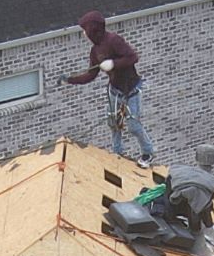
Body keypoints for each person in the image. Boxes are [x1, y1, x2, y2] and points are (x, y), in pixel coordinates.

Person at [66, 13, 154, 163]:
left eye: (85, 29)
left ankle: (148, 152)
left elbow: (133, 57)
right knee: (114, 124)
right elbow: (91, 75)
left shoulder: (114, 40)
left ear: (93, 29)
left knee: (133, 126)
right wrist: (69, 80)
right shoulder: (95, 51)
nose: (84, 33)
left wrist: (113, 63)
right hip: (115, 91)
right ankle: (117, 152)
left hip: (131, 89)